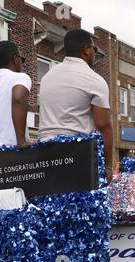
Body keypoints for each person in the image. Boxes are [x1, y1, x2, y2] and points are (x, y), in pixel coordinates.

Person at [38, 29, 113, 182]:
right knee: (77, 205)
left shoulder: (47, 77)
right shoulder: (94, 80)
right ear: (86, 50)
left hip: (43, 153)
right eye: (94, 49)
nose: (94, 53)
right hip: (76, 155)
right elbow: (103, 126)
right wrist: (108, 166)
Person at [0, 41, 31, 148]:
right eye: (21, 59)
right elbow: (18, 98)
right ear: (15, 59)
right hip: (10, 151)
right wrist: (21, 142)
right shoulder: (20, 77)